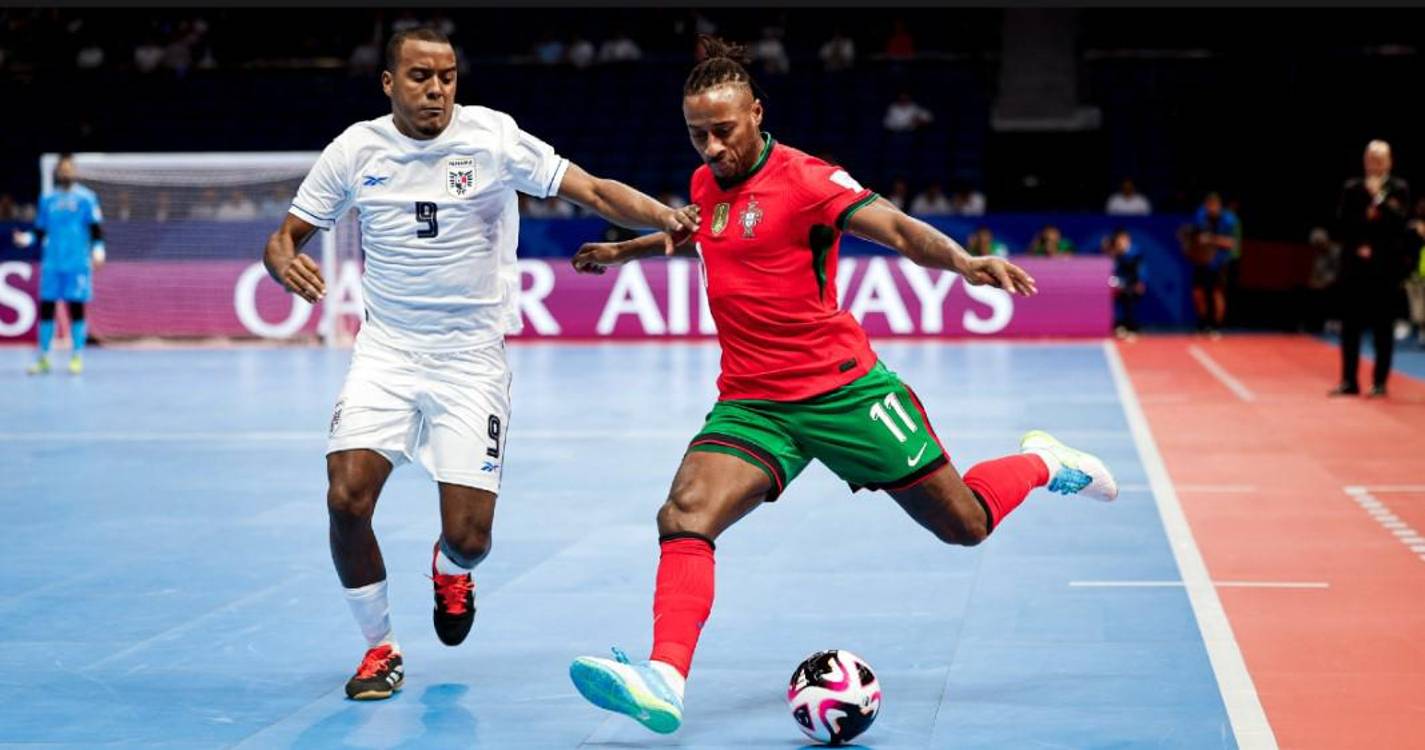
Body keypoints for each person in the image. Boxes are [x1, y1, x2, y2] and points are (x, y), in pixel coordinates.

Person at [564, 36, 1119, 736]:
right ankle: (665, 678)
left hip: (844, 394)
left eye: (723, 131)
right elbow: (699, 229)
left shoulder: (806, 180)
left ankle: (1046, 461)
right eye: (696, 134)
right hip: (752, 402)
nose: (709, 148)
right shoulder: (708, 183)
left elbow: (893, 229)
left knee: (965, 525)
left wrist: (960, 261)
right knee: (683, 516)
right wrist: (625, 249)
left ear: (757, 114)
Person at [260, 27, 698, 702]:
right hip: (387, 352)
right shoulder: (356, 149)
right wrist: (283, 260)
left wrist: (663, 215)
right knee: (345, 498)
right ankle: (379, 648)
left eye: (446, 77)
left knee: (470, 538)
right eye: (419, 78)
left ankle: (450, 568)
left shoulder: (493, 138)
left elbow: (593, 189)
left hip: (470, 361)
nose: (435, 90)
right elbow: (285, 235)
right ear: (388, 83)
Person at [1330, 140, 1411, 396]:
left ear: (1389, 162)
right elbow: (1341, 223)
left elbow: (1400, 224)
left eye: (1379, 159)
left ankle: (1380, 382)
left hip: (1384, 269)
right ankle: (1348, 381)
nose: (1374, 163)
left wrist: (1378, 198)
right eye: (1370, 158)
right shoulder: (1352, 188)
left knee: (1382, 329)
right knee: (1350, 327)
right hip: (1355, 267)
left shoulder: (1399, 189)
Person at [14, 155, 105, 375]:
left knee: (76, 309)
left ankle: (76, 357)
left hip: (77, 263)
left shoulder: (87, 198)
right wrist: (26, 239)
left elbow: (95, 228)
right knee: (46, 310)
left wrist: (99, 250)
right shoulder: (47, 200)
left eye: (69, 169)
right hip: (53, 263)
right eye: (62, 169)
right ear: (57, 172)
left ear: (74, 172)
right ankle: (44, 358)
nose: (65, 173)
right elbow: (40, 230)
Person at [1181, 192, 1239, 335]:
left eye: (1214, 206)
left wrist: (1211, 239)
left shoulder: (1229, 220)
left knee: (1216, 293)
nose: (1211, 209)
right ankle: (1203, 323)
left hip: (1220, 261)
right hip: (1202, 260)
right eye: (1209, 206)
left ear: (1219, 207)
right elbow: (1194, 237)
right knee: (1198, 292)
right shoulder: (1201, 216)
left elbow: (1231, 243)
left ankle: (1216, 326)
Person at [1105, 228, 1147, 338]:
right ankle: (1118, 326)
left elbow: (1141, 269)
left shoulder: (1135, 252)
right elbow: (1113, 271)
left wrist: (1141, 281)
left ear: (1127, 239)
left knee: (1129, 301)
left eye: (1122, 240)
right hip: (1119, 284)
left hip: (1132, 284)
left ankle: (1131, 327)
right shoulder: (1115, 253)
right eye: (1118, 240)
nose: (1120, 242)